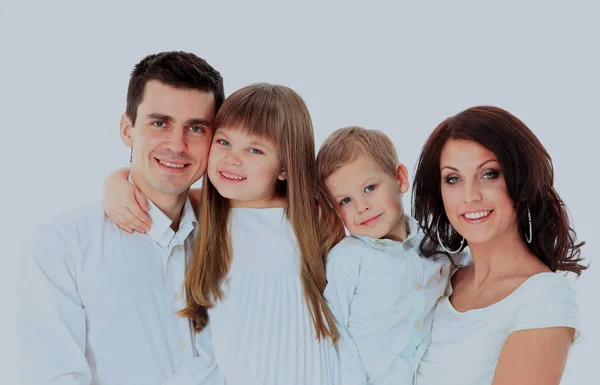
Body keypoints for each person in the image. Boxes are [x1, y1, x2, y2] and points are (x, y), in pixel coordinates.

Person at [104, 83, 343, 385]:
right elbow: (150, 188)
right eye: (224, 142)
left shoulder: (312, 218)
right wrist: (115, 182)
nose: (232, 159)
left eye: (254, 149)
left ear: (285, 166)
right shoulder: (209, 210)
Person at [16, 51, 225, 385]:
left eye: (196, 128)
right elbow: (53, 376)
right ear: (127, 129)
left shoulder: (232, 234)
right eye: (160, 123)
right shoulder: (63, 244)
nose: (177, 144)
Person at [412, 106, 586, 385]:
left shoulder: (544, 297)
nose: (470, 196)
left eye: (489, 174)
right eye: (453, 179)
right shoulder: (439, 279)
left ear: (522, 179)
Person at [316, 127, 453, 385]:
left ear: (400, 178)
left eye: (370, 188)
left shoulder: (436, 249)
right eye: (345, 200)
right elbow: (332, 334)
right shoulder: (347, 259)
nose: (362, 206)